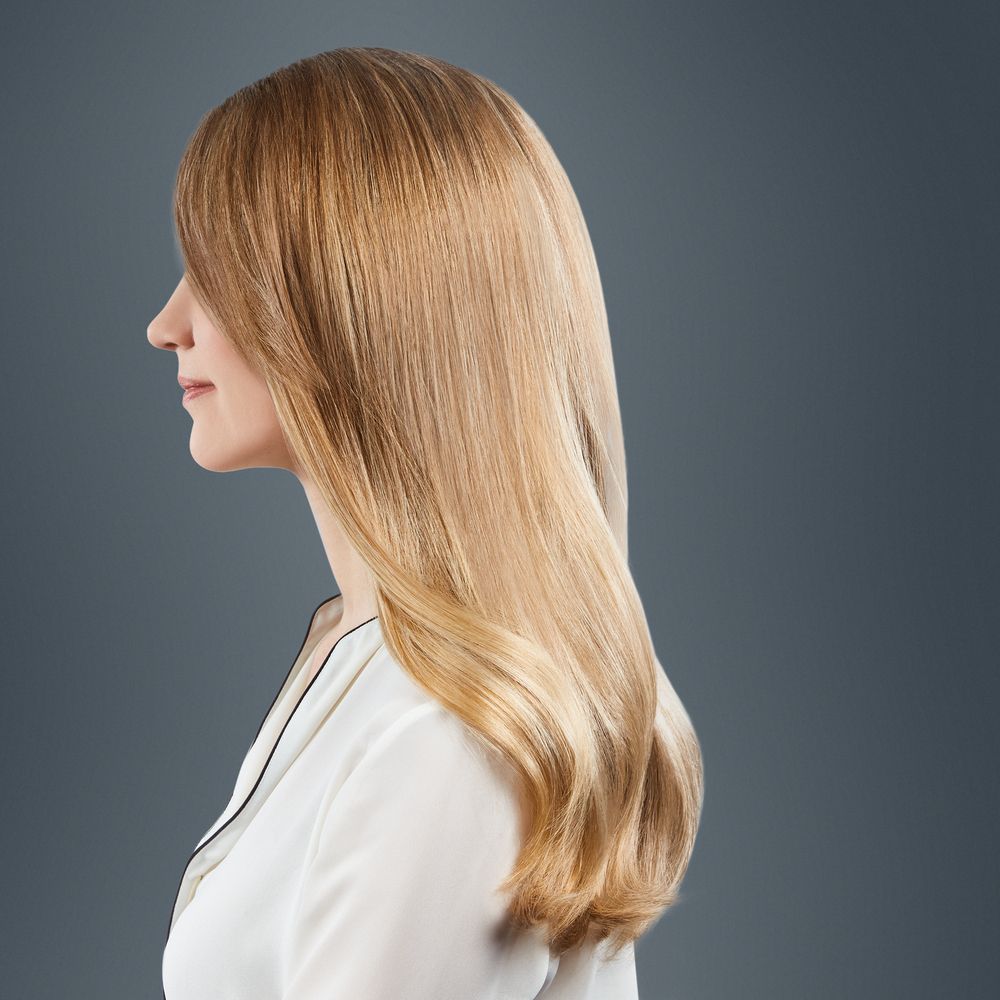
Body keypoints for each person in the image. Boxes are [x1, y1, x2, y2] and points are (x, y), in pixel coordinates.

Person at [147, 46, 703, 1000]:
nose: (167, 324)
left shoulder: (442, 736)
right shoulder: (369, 662)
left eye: (217, 272)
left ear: (352, 304)